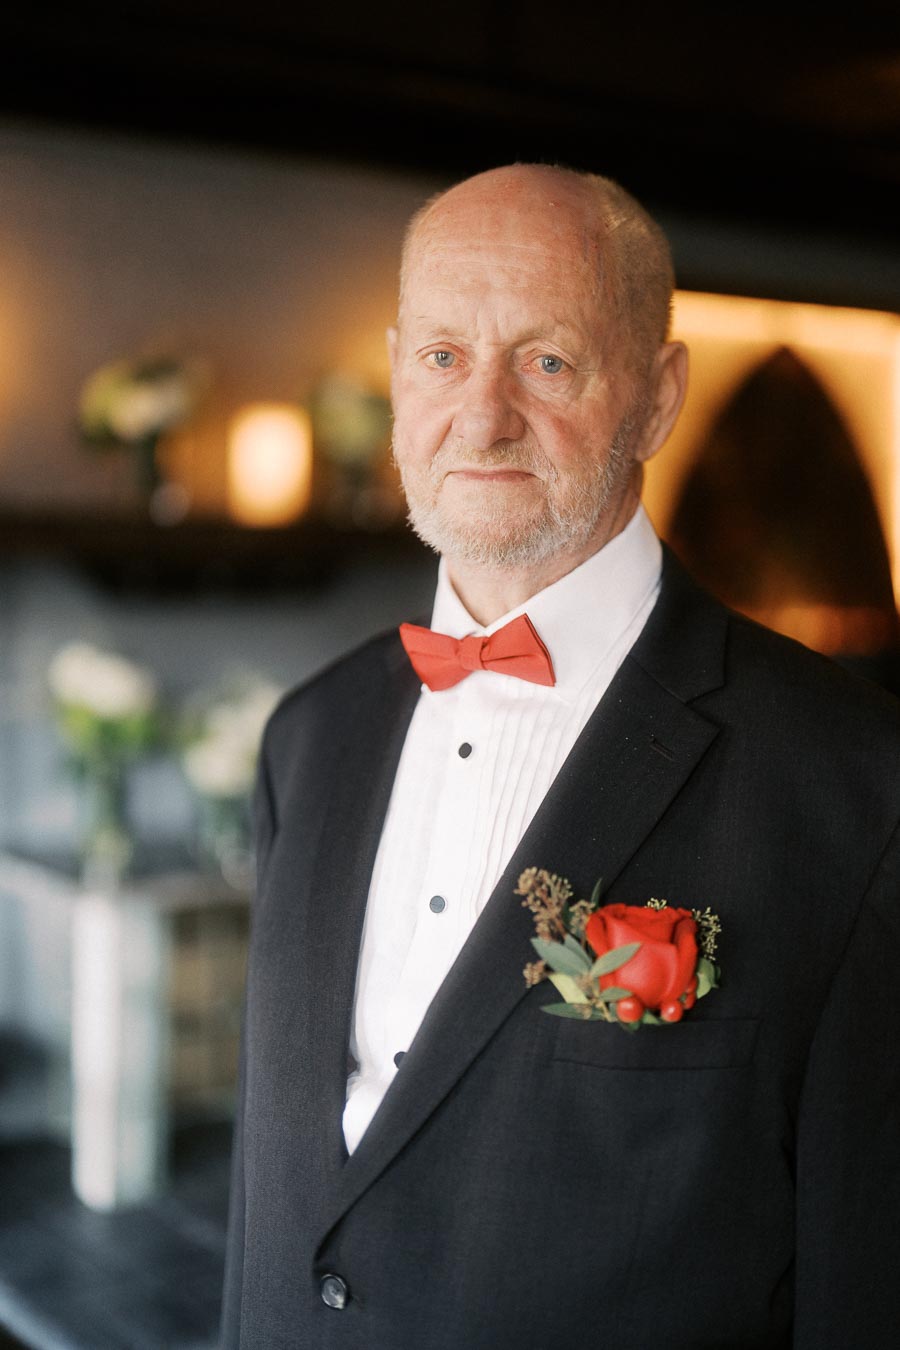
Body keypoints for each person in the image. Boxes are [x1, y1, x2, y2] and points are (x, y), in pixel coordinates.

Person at [221, 164, 900, 1349]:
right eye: (441, 356)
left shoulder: (856, 784)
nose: (479, 417)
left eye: (546, 361)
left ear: (656, 395)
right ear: (394, 370)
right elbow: (272, 1199)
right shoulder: (306, 740)